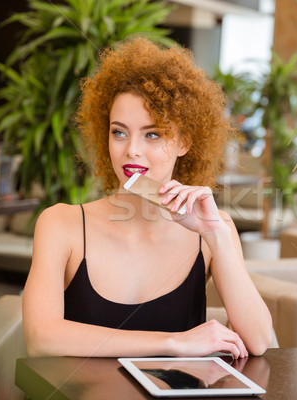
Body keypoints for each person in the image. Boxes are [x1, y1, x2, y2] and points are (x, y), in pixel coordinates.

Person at [22, 38, 273, 359]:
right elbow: (41, 337)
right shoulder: (60, 223)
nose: (132, 150)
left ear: (183, 141)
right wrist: (173, 343)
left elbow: (259, 341)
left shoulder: (213, 232)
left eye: (152, 134)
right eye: (119, 132)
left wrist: (216, 233)